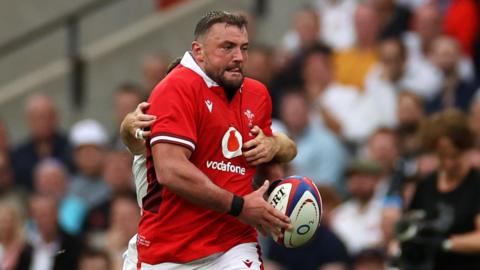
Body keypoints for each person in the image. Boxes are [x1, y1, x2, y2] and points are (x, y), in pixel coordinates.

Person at [122, 11, 297, 269]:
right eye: (228, 47)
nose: (239, 57)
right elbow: (169, 171)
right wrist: (240, 206)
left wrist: (275, 156)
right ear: (198, 52)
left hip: (233, 246)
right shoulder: (174, 90)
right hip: (166, 252)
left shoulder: (256, 94)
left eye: (244, 48)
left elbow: (271, 157)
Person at [405, 109, 480, 270]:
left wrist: (445, 243)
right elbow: (411, 225)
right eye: (441, 156)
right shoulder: (426, 185)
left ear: (466, 149)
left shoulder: (476, 183)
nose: (448, 163)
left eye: (454, 155)